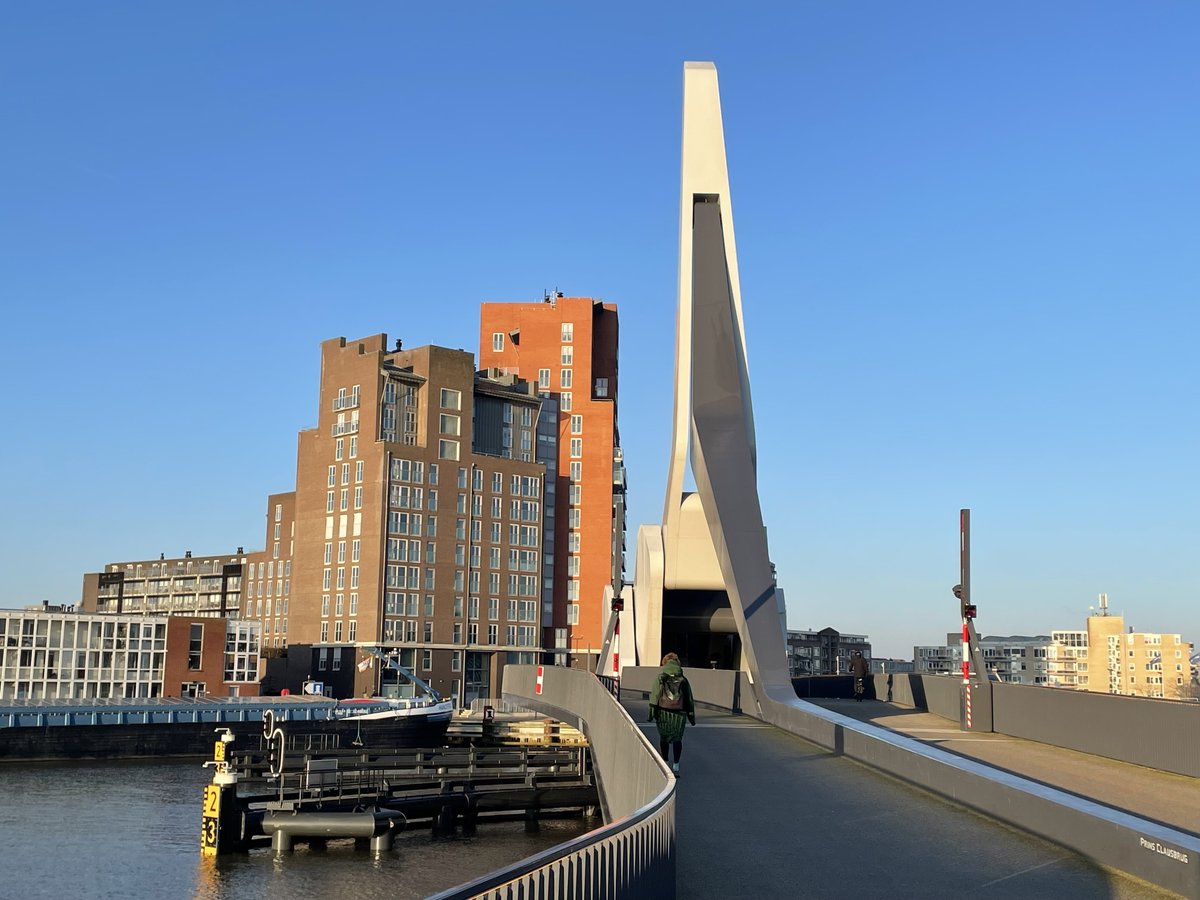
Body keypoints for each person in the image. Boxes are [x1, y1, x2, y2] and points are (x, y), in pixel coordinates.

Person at [649, 652, 695, 776]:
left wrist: (651, 713)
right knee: (677, 739)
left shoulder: (661, 678)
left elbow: (655, 696)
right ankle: (676, 766)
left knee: (664, 738)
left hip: (663, 712)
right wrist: (691, 716)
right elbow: (689, 699)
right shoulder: (683, 680)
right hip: (679, 714)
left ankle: (665, 764)